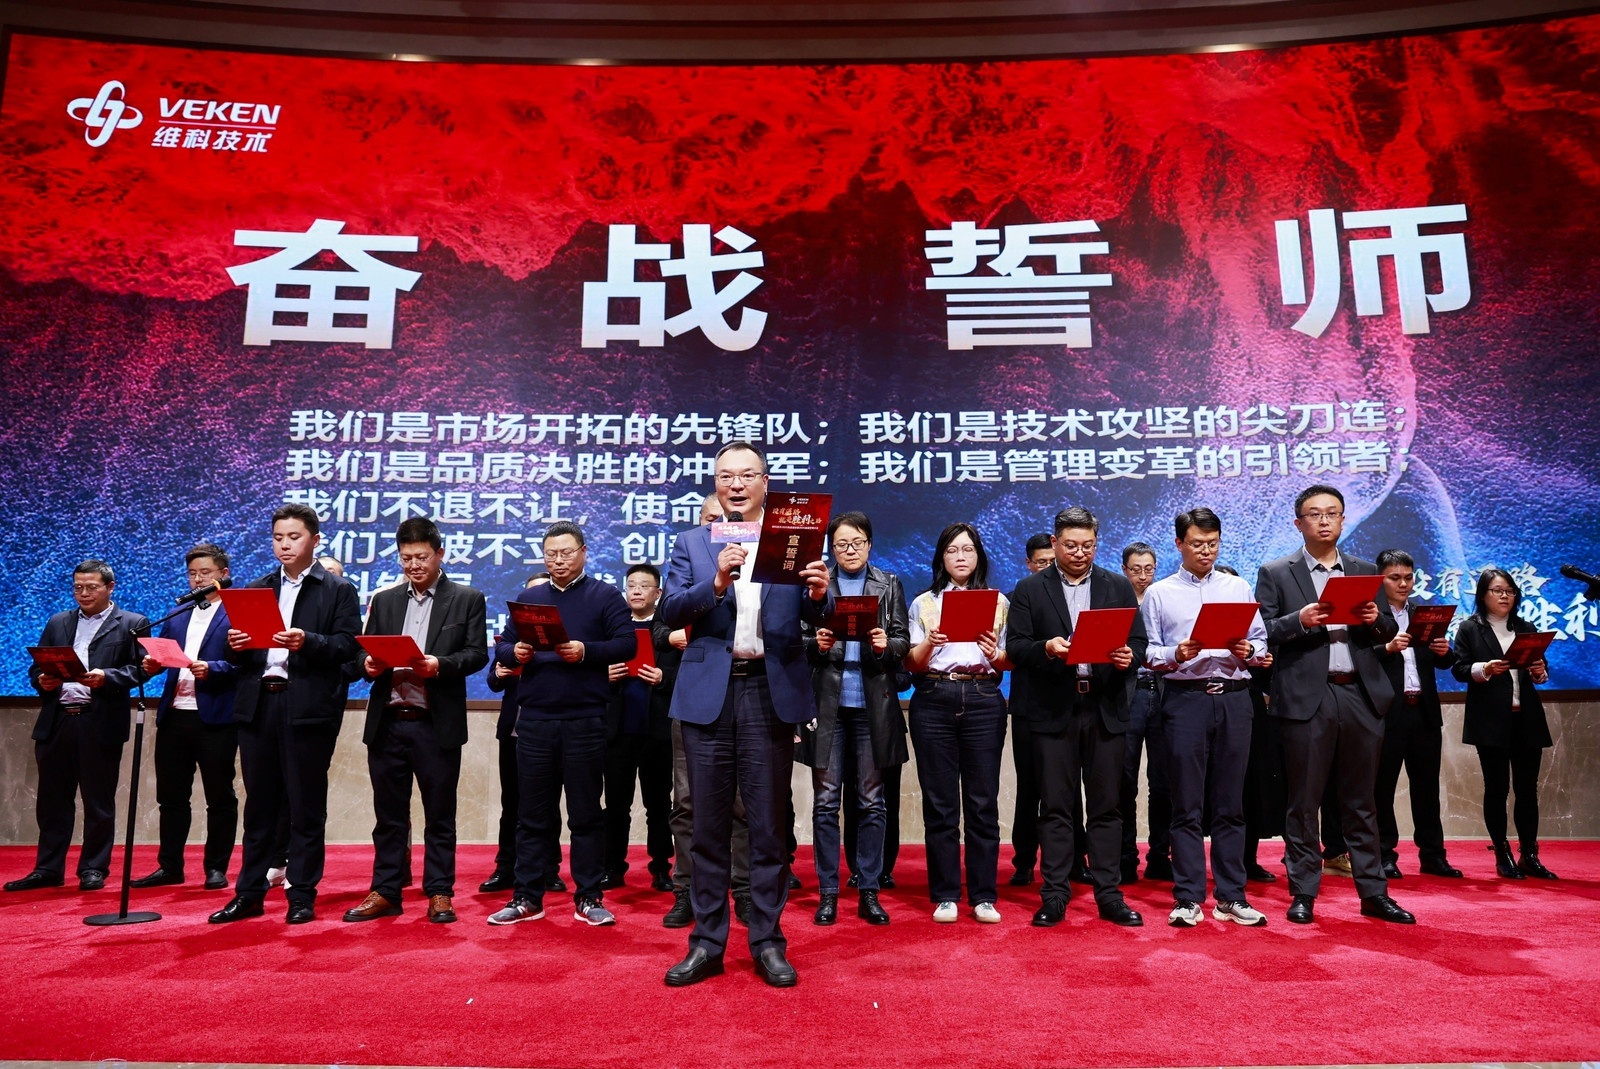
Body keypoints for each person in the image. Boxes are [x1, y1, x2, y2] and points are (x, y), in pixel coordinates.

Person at [659, 441, 831, 988]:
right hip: (709, 693)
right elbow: (670, 609)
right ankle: (707, 942)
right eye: (726, 476)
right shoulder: (692, 542)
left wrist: (820, 595)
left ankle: (767, 941)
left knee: (767, 826)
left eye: (747, 475)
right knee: (707, 827)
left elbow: (818, 613)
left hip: (768, 691)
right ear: (715, 483)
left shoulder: (793, 538)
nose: (736, 484)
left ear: (765, 483)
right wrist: (715, 582)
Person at [1256, 485, 1412, 925]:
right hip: (1309, 696)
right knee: (1304, 801)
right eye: (1315, 514)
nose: (1324, 521)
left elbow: (1387, 630)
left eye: (1332, 513)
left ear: (1343, 520)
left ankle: (1373, 892)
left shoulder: (1364, 570)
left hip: (1360, 694)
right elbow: (1264, 630)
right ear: (1298, 522)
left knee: (1362, 801)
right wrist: (1300, 620)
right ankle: (1304, 892)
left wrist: (1375, 620)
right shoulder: (1276, 571)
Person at [211, 504, 360, 924]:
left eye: (294, 537)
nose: (284, 545)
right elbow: (234, 653)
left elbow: (348, 645)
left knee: (305, 805)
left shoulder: (337, 589)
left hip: (307, 707)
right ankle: (249, 893)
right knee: (258, 806)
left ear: (315, 540)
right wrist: (235, 645)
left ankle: (302, 894)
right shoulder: (257, 587)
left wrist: (307, 640)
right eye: (278, 537)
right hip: (259, 703)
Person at [489, 522, 635, 927]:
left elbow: (626, 643)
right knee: (531, 815)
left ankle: (588, 896)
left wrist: (586, 651)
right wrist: (514, 652)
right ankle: (527, 896)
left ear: (583, 552)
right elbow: (503, 645)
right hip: (535, 720)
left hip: (585, 719)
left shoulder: (605, 596)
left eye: (566, 552)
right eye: (551, 553)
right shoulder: (530, 597)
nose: (558, 560)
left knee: (586, 813)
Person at [1006, 508, 1146, 928]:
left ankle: (1109, 895)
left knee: (1107, 807)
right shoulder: (1030, 589)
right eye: (1071, 545)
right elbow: (1016, 647)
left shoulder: (1116, 585)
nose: (1080, 553)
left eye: (1088, 545)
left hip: (1104, 707)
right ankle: (1054, 895)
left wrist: (1129, 656)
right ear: (1054, 543)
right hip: (1054, 710)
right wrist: (1047, 648)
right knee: (1055, 807)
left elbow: (1138, 641)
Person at [344, 517, 487, 925]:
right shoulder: (385, 599)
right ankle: (386, 890)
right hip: (388, 721)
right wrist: (367, 664)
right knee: (388, 817)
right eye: (406, 558)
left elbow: (476, 654)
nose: (414, 565)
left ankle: (440, 891)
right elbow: (361, 652)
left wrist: (438, 664)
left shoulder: (467, 598)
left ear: (440, 554)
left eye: (421, 557)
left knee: (439, 814)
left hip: (434, 723)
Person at [1140, 509, 1269, 928]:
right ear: (1179, 544)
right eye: (1197, 544)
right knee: (1186, 804)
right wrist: (1175, 653)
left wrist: (1249, 650)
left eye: (1212, 544)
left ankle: (1231, 896)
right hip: (1185, 700)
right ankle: (1188, 897)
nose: (1206, 551)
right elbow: (1148, 652)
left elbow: (1260, 642)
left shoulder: (1237, 586)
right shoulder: (1160, 593)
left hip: (1234, 698)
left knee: (1231, 804)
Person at [6, 561, 148, 893]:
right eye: (78, 587)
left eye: (92, 587)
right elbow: (36, 668)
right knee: (52, 801)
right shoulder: (59, 621)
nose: (84, 593)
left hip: (98, 721)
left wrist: (107, 677)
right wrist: (41, 680)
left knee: (98, 802)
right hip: (57, 721)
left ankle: (93, 868)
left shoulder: (132, 623)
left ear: (110, 587)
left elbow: (141, 669)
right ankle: (48, 868)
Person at [798, 510, 910, 927]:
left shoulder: (888, 584)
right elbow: (797, 640)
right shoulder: (816, 584)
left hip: (871, 706)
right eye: (841, 544)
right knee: (826, 803)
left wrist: (884, 645)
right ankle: (828, 893)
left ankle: (869, 889)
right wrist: (817, 644)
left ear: (869, 545)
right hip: (827, 705)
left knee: (871, 802)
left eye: (857, 543)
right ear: (831, 548)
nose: (849, 550)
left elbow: (902, 640)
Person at [906, 522, 1011, 924]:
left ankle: (984, 895)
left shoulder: (999, 602)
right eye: (952, 550)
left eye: (968, 549)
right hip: (934, 697)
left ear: (979, 556)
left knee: (983, 801)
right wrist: (930, 643)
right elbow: (911, 663)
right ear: (941, 558)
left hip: (983, 697)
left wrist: (994, 653)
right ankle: (946, 894)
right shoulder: (923, 603)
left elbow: (1008, 661)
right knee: (940, 803)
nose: (961, 557)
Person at [132, 544, 239, 892]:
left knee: (219, 798)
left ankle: (216, 868)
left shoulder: (237, 612)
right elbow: (163, 656)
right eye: (192, 574)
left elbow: (249, 665)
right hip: (175, 715)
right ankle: (170, 866)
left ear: (223, 574)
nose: (197, 580)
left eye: (205, 573)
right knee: (171, 797)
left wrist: (215, 668)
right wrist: (151, 665)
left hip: (216, 717)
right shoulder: (177, 612)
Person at [1451, 568, 1557, 880]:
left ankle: (1530, 854)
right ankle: (1502, 853)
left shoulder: (1525, 627)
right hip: (1490, 720)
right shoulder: (1470, 628)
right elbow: (1459, 669)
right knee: (1496, 789)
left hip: (1526, 718)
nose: (1504, 596)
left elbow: (1539, 672)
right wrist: (1485, 669)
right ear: (1483, 595)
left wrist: (1539, 671)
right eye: (1497, 590)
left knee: (1528, 790)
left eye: (1510, 591)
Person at [1373, 549, 1463, 879]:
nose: (1403, 584)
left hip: (1423, 711)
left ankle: (1433, 855)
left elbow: (1444, 662)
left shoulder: (1425, 614)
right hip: (1386, 713)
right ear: (1379, 579)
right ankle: (1385, 854)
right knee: (1381, 788)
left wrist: (1444, 651)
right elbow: (1359, 658)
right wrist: (1387, 648)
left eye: (1408, 577)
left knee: (1426, 788)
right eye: (1395, 578)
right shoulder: (1372, 616)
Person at [480, 573, 568, 897]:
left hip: (549, 729)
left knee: (548, 804)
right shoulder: (512, 637)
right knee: (511, 803)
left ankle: (549, 869)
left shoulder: (561, 638)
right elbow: (493, 682)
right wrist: (500, 671)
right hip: (513, 731)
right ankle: (505, 867)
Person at [602, 563, 679, 893]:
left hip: (657, 730)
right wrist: (604, 675)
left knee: (659, 804)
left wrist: (664, 678)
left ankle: (661, 867)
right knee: (615, 805)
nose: (636, 590)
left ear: (658, 593)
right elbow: (590, 667)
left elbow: (687, 674)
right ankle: (612, 867)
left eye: (644, 586)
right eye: (631, 585)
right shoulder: (612, 629)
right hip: (618, 730)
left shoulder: (670, 631)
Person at [1118, 540, 1172, 884]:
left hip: (1165, 694)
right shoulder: (1115, 600)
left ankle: (1159, 856)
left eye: (1148, 569)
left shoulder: (1164, 599)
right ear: (1124, 570)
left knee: (1163, 782)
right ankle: (1125, 858)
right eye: (1136, 569)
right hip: (1129, 695)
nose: (1142, 575)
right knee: (1124, 782)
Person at [1005, 532, 1054, 888]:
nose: (1048, 567)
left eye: (1052, 561)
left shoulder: (1072, 597)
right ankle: (1023, 861)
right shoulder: (1016, 598)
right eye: (1041, 562)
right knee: (1029, 789)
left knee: (1066, 790)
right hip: (1026, 706)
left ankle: (1072, 860)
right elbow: (1014, 652)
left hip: (1065, 704)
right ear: (1028, 564)